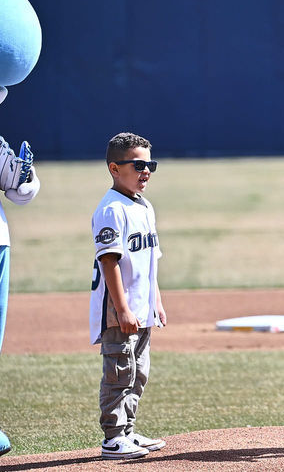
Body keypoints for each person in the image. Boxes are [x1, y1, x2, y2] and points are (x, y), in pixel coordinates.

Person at [90, 132, 168, 460]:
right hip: (119, 310)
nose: (145, 170)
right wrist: (121, 309)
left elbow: (151, 261)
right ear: (114, 168)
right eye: (138, 165)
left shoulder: (144, 206)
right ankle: (113, 437)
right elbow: (109, 261)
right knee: (119, 371)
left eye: (149, 164)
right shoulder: (111, 209)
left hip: (142, 309)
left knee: (139, 371)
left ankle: (129, 431)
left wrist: (157, 302)